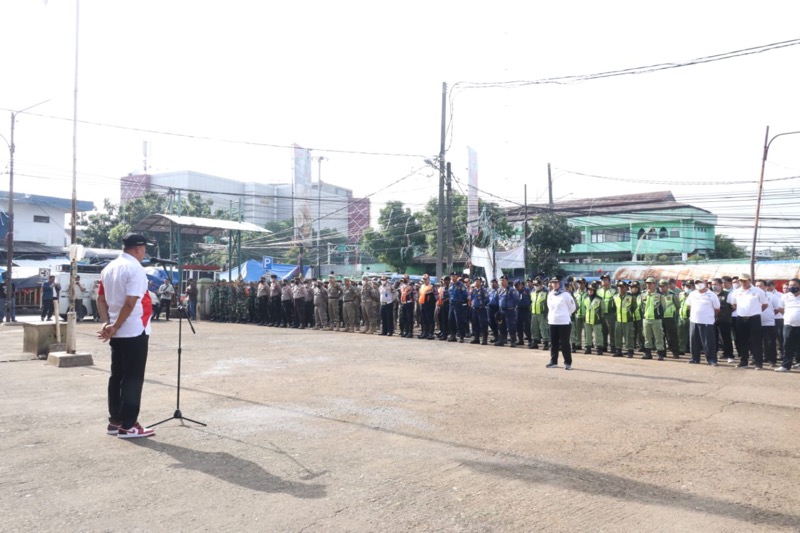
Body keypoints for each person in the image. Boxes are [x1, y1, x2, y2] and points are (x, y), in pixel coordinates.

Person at [95, 233, 155, 439]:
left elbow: (100, 299)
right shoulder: (135, 269)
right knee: (133, 378)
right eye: (144, 248)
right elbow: (131, 303)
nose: (144, 252)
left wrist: (107, 324)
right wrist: (116, 325)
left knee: (117, 376)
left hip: (117, 332)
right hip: (134, 329)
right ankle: (129, 425)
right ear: (138, 248)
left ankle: (115, 421)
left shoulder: (108, 268)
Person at [729, 273, 768, 370]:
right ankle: (743, 362)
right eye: (741, 281)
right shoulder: (736, 292)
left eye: (745, 281)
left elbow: (765, 304)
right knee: (742, 341)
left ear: (750, 280)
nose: (743, 283)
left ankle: (758, 363)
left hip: (754, 318)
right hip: (741, 318)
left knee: (756, 341)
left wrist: (756, 311)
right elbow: (734, 304)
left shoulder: (758, 291)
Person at [685, 278, 720, 366]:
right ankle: (694, 358)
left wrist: (708, 315)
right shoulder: (692, 294)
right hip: (694, 320)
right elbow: (689, 305)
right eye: (696, 283)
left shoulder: (711, 295)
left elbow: (717, 309)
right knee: (694, 341)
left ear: (704, 283)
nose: (698, 284)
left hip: (707, 321)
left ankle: (712, 359)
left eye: (700, 282)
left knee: (708, 342)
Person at [546, 277, 577, 369]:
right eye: (553, 283)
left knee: (565, 343)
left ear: (560, 283)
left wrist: (565, 314)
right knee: (553, 343)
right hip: (553, 321)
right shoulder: (550, 294)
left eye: (556, 282)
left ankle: (567, 363)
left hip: (564, 322)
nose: (554, 284)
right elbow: (549, 307)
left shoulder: (566, 295)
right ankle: (553, 361)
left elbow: (572, 308)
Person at [776, 278, 800, 372]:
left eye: (794, 286)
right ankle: (786, 365)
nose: (792, 287)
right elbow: (781, 309)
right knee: (787, 346)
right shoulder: (784, 297)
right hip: (788, 325)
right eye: (790, 285)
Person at [612, 281, 635, 357]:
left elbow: (634, 307)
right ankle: (618, 350)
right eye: (619, 287)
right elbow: (614, 307)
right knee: (617, 335)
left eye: (622, 287)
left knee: (629, 336)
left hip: (628, 319)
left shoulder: (631, 297)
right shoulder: (615, 297)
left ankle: (630, 351)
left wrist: (630, 315)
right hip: (618, 319)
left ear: (626, 287)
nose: (620, 289)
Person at [582, 282, 604, 354]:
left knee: (598, 335)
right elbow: (584, 308)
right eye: (589, 289)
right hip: (587, 320)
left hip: (596, 320)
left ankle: (599, 348)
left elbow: (602, 309)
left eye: (592, 290)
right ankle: (588, 347)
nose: (590, 291)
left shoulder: (599, 299)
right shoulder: (586, 298)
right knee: (587, 334)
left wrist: (601, 318)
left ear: (595, 290)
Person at [469, 277, 490, 345]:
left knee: (483, 324)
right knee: (475, 324)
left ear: (480, 282)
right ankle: (476, 338)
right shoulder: (473, 290)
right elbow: (471, 298)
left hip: (481, 309)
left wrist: (482, 303)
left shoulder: (483, 290)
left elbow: (487, 299)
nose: (476, 282)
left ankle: (484, 339)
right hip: (474, 309)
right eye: (475, 281)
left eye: (478, 281)